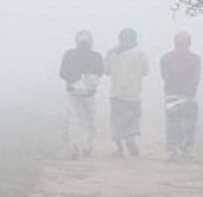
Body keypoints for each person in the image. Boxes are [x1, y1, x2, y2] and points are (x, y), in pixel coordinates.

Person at [59, 30, 103, 159]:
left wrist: (73, 81)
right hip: (89, 93)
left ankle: (75, 146)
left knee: (74, 119)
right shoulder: (96, 56)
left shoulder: (69, 54)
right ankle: (87, 146)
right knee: (89, 119)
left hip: (72, 91)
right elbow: (100, 72)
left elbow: (62, 73)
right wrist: (88, 81)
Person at [105, 28, 148, 157]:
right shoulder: (141, 54)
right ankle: (130, 138)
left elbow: (107, 71)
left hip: (116, 93)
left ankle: (119, 148)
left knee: (117, 122)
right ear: (134, 39)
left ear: (120, 39)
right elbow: (146, 72)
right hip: (134, 94)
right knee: (133, 119)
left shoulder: (112, 54)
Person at [160, 30, 201, 161]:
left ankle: (174, 150)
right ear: (189, 43)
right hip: (186, 95)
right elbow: (196, 78)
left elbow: (165, 76)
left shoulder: (166, 57)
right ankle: (184, 149)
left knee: (173, 123)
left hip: (172, 94)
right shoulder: (195, 59)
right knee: (187, 123)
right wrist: (190, 90)